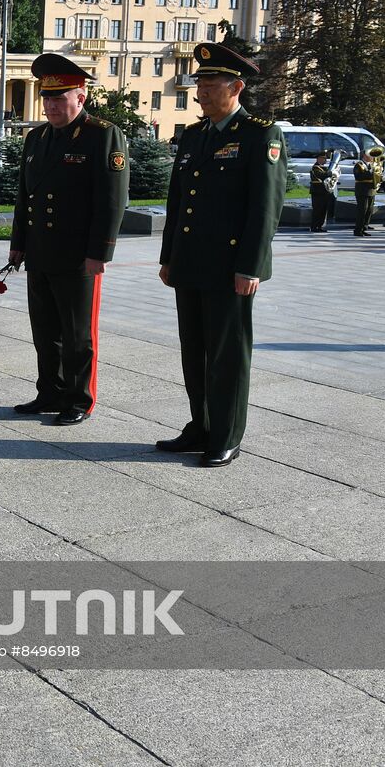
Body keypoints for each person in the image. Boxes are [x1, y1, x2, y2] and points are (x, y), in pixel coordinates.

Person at [156, 42, 287, 468]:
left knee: (227, 355)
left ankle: (226, 434)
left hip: (231, 267)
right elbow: (179, 202)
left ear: (236, 88)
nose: (202, 91)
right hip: (191, 262)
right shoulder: (194, 136)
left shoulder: (260, 135)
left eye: (211, 84)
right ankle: (202, 425)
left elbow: (264, 208)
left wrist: (251, 265)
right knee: (194, 351)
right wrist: (168, 256)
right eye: (201, 83)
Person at [9, 53, 129, 426]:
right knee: (45, 331)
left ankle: (79, 399)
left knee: (78, 335)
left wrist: (100, 253)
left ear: (81, 98)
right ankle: (50, 392)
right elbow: (24, 195)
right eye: (47, 98)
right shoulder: (37, 137)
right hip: (41, 253)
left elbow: (112, 200)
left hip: (79, 257)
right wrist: (18, 245)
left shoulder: (101, 135)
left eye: (60, 99)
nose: (51, 106)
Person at [351, 151, 376, 237]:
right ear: (365, 155)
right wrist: (372, 173)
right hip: (362, 190)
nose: (372, 157)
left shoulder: (371, 165)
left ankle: (364, 228)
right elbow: (358, 176)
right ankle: (358, 230)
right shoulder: (359, 165)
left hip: (371, 190)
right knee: (362, 210)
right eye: (370, 155)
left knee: (369, 210)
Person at [308, 151, 334, 232]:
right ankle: (314, 226)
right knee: (317, 210)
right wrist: (329, 173)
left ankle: (320, 226)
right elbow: (321, 175)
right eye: (323, 158)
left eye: (325, 159)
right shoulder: (315, 167)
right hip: (317, 191)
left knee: (323, 210)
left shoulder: (324, 168)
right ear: (319, 158)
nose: (325, 160)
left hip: (324, 191)